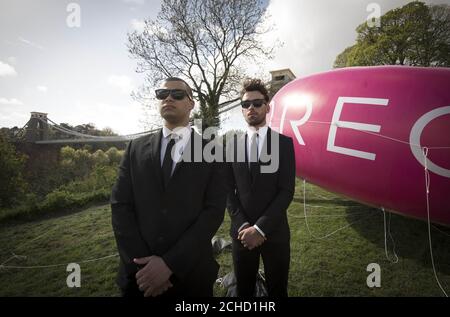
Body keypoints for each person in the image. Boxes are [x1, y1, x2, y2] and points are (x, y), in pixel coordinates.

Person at [111, 77, 227, 297]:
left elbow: (213, 213)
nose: (169, 98)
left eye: (177, 94)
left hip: (191, 278)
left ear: (191, 103)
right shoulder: (135, 148)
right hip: (139, 279)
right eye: (162, 94)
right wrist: (145, 267)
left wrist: (170, 264)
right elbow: (120, 205)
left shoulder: (214, 151)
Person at [226, 79, 296, 297]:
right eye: (246, 104)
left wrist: (260, 228)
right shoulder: (231, 145)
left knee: (277, 290)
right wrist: (245, 226)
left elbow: (286, 190)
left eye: (257, 103)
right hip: (241, 235)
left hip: (274, 233)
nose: (251, 108)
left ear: (268, 106)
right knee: (243, 291)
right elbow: (228, 191)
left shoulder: (284, 144)